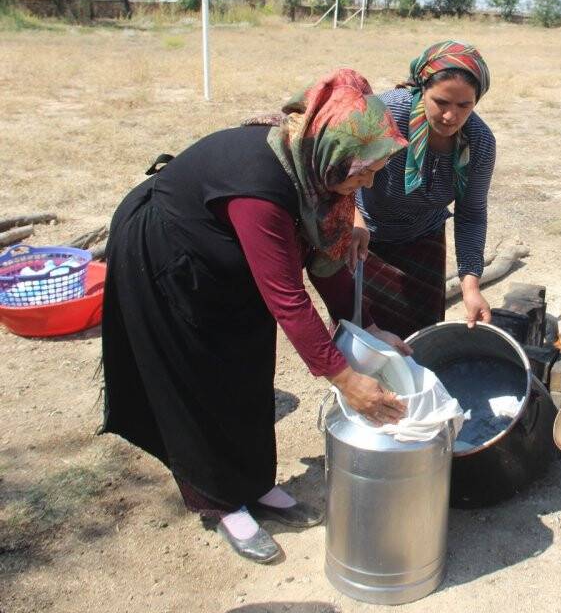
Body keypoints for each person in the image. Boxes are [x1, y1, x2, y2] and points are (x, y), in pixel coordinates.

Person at [100, 68, 412, 565]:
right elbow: (287, 296)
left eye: (374, 170)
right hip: (171, 258)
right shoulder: (262, 187)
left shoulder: (319, 174)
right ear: (332, 148)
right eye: (364, 170)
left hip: (230, 258)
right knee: (200, 377)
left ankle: (254, 484)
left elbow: (324, 259)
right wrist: (343, 376)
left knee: (245, 370)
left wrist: (367, 326)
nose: (368, 181)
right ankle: (220, 501)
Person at [352, 40, 496, 336]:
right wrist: (354, 220)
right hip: (365, 237)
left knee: (420, 338)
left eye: (463, 106)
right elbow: (337, 177)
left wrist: (470, 286)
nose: (450, 116)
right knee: (363, 336)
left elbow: (471, 214)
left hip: (422, 237)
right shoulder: (385, 114)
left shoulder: (479, 142)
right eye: (441, 102)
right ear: (421, 89)